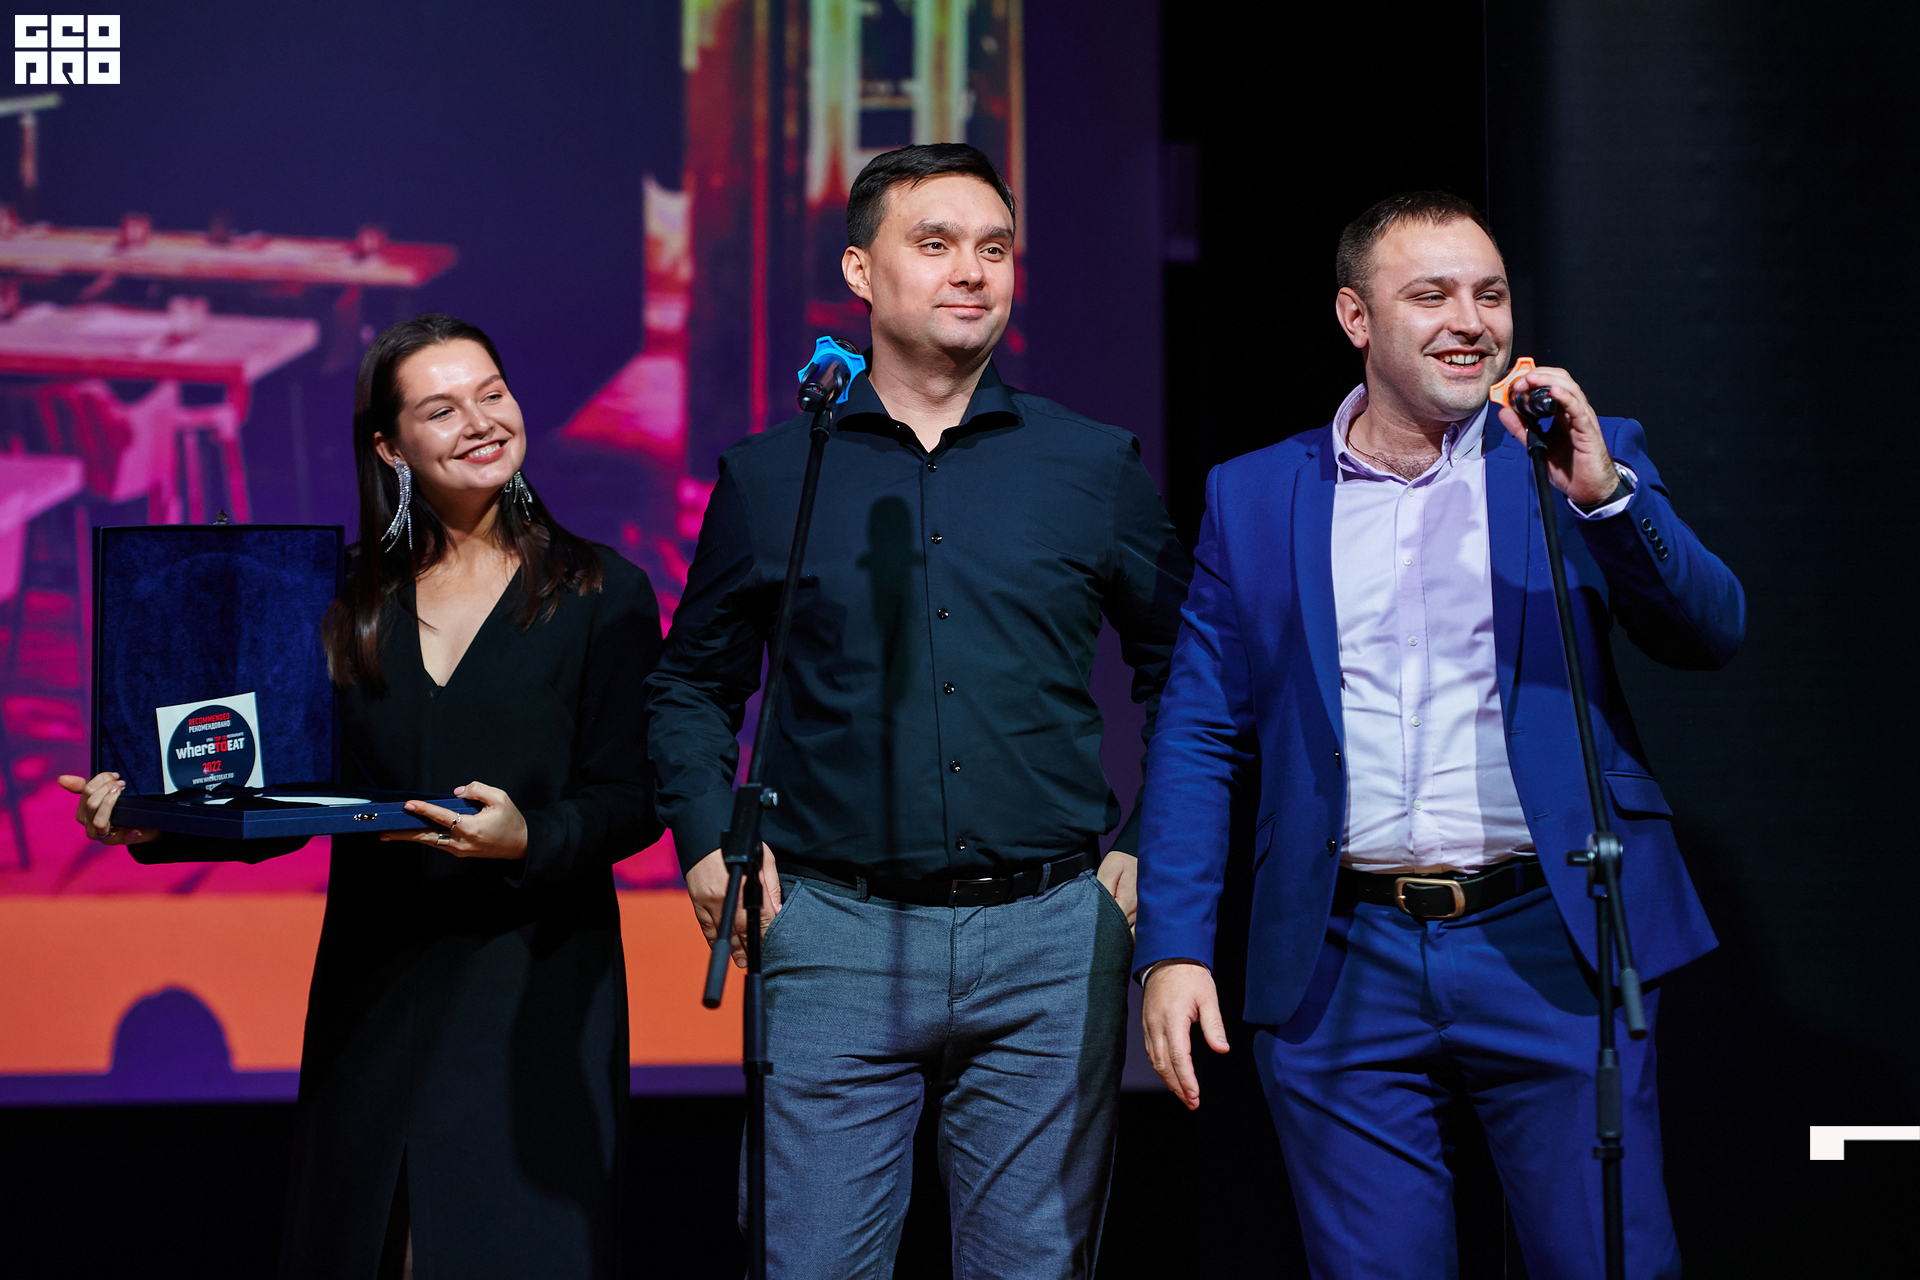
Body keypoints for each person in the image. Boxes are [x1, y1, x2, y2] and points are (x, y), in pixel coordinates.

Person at [1135, 192, 1745, 1279]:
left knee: (1608, 1261)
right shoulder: (1258, 494)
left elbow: (1711, 629)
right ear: (1356, 317)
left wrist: (1605, 495)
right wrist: (1175, 944)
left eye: (1490, 294)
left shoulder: (1568, 460)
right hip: (1342, 954)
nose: (1471, 320)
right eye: (1432, 295)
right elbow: (1199, 728)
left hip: (1550, 936)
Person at [647, 143, 1190, 1278]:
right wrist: (704, 837)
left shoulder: (1092, 467)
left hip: (1050, 935)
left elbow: (1188, 673)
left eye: (994, 248)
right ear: (860, 269)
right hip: (832, 928)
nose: (971, 272)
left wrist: (1151, 838)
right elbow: (692, 683)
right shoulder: (772, 474)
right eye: (934, 244)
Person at [61, 314, 663, 1280]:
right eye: (442, 409)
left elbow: (635, 797)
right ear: (390, 447)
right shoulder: (340, 597)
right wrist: (152, 821)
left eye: (492, 393)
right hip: (378, 986)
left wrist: (529, 836)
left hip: (534, 992)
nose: (481, 421)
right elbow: (292, 790)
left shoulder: (602, 589)